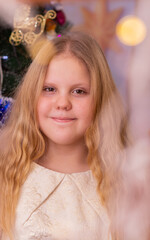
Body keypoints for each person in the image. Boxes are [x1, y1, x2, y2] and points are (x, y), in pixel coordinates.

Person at [0, 31, 128, 240]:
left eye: (78, 91)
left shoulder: (126, 180)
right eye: (49, 89)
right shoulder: (6, 173)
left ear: (101, 99)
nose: (62, 103)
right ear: (32, 94)